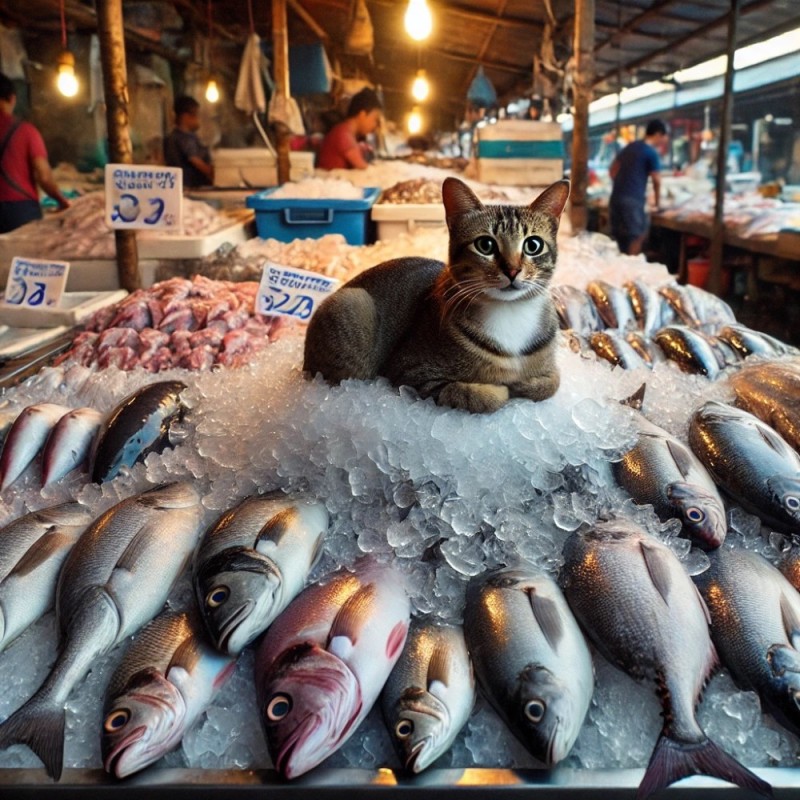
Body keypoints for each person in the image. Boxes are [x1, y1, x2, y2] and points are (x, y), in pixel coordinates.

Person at [0, 73, 70, 234]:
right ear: (12, 99)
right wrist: (62, 201)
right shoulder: (26, 131)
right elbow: (44, 177)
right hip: (19, 211)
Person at [608, 118, 668, 256]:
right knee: (637, 236)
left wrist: (623, 184)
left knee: (619, 239)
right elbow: (657, 180)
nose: (664, 140)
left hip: (616, 199)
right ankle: (630, 271)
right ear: (658, 134)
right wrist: (658, 204)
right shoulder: (651, 153)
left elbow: (612, 171)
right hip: (633, 201)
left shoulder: (630, 147)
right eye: (664, 137)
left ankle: (618, 270)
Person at [317, 88, 382, 170]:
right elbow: (364, 168)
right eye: (375, 119)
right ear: (362, 114)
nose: (375, 125)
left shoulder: (343, 131)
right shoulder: (344, 135)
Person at [164, 95, 213, 189]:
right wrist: (216, 174)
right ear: (186, 117)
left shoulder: (174, 137)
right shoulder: (183, 139)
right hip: (190, 189)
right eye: (196, 115)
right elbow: (195, 160)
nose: (198, 120)